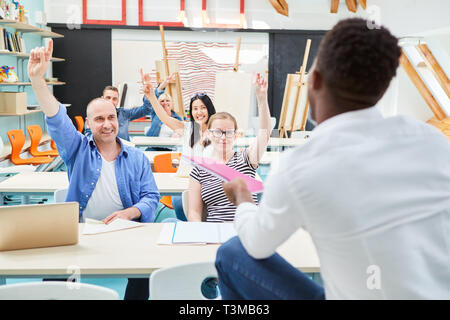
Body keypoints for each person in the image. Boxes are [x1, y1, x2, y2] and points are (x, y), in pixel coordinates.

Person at [215, 18, 450, 299]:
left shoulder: (298, 166)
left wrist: (243, 197)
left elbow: (256, 245)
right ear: (383, 89)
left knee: (231, 253)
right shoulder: (433, 141)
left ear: (314, 80)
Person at [28, 40, 160, 300]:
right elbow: (56, 119)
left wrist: (129, 213)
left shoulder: (137, 158)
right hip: (82, 234)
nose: (107, 124)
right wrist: (37, 80)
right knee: (53, 275)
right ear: (88, 123)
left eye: (111, 117)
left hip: (126, 232)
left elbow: (151, 198)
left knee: (149, 273)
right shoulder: (77, 149)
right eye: (99, 119)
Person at [188, 73, 272, 222]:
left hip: (246, 232)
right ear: (208, 134)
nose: (223, 137)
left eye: (229, 132)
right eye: (218, 132)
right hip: (213, 233)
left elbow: (265, 134)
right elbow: (194, 212)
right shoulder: (199, 170)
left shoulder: (246, 159)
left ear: (236, 135)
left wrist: (262, 98)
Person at [141, 70, 217, 220]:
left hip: (209, 186)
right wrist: (151, 97)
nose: (199, 112)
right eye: (195, 108)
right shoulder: (189, 128)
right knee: (178, 200)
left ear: (209, 109)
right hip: (185, 183)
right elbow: (164, 117)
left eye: (202, 108)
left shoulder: (217, 131)